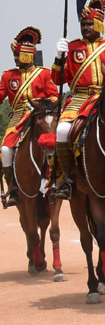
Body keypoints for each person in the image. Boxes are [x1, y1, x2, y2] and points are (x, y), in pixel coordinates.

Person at [51, 0, 105, 199]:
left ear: (99, 24)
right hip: (78, 98)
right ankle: (67, 179)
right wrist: (59, 58)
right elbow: (58, 80)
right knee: (61, 130)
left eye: (89, 24)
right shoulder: (73, 48)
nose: (86, 28)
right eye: (83, 24)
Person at [1, 27, 58, 207]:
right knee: (5, 150)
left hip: (40, 116)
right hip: (18, 118)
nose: (16, 59)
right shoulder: (8, 76)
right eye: (15, 56)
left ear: (27, 55)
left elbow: (54, 96)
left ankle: (61, 180)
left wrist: (42, 105)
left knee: (57, 143)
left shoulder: (44, 73)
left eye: (18, 55)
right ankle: (13, 187)